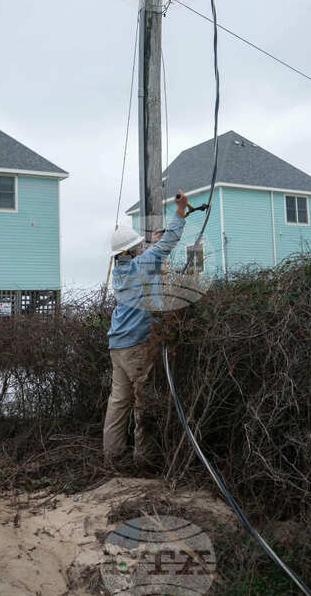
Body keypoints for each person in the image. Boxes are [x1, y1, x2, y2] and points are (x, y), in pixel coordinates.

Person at [104, 189, 191, 467]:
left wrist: (150, 245)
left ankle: (113, 456)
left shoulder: (121, 270)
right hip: (136, 346)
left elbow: (150, 255)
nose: (141, 249)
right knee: (144, 402)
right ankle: (145, 459)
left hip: (117, 346)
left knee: (118, 402)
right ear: (131, 250)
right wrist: (180, 212)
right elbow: (167, 246)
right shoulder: (140, 265)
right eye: (137, 246)